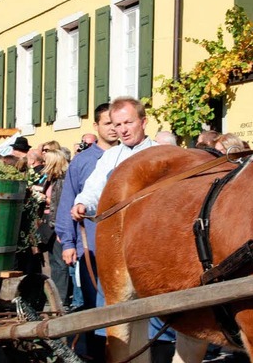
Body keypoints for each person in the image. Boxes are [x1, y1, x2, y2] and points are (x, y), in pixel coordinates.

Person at [71, 96, 176, 362]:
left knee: (157, 309)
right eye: (118, 124)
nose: (123, 129)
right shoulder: (110, 158)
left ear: (143, 122)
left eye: (128, 122)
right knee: (114, 311)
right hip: (116, 242)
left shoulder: (163, 154)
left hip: (154, 243)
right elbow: (95, 186)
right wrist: (82, 202)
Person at [55, 103, 118, 361]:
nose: (115, 129)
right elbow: (67, 201)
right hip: (90, 244)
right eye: (108, 124)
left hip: (122, 244)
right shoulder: (83, 161)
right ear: (96, 127)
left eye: (118, 124)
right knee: (94, 307)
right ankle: (94, 356)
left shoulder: (131, 156)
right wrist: (68, 243)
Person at [35, 149, 71, 306]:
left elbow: (62, 203)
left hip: (57, 221)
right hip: (49, 220)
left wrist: (44, 198)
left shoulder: (62, 180)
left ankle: (60, 299)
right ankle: (55, 296)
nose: (43, 164)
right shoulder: (51, 179)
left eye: (46, 161)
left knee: (59, 262)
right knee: (52, 260)